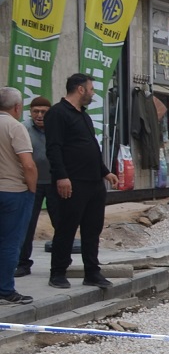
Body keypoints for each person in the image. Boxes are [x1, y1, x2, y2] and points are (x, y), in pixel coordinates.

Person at [45, 73, 118, 290]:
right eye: (91, 89)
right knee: (67, 228)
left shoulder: (84, 116)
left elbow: (91, 147)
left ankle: (92, 272)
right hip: (72, 181)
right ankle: (57, 272)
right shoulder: (57, 113)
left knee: (92, 229)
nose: (93, 93)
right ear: (80, 89)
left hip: (94, 182)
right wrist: (61, 176)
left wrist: (105, 172)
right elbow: (54, 148)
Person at [0, 87, 38, 305]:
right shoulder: (15, 127)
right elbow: (28, 164)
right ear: (17, 107)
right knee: (10, 242)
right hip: (13, 191)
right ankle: (5, 289)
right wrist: (31, 189)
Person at [14, 97, 51, 278]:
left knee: (61, 223)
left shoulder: (57, 128)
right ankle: (23, 263)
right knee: (27, 225)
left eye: (44, 112)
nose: (39, 115)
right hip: (31, 184)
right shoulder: (23, 128)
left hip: (55, 183)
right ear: (30, 112)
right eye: (36, 111)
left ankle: (60, 264)